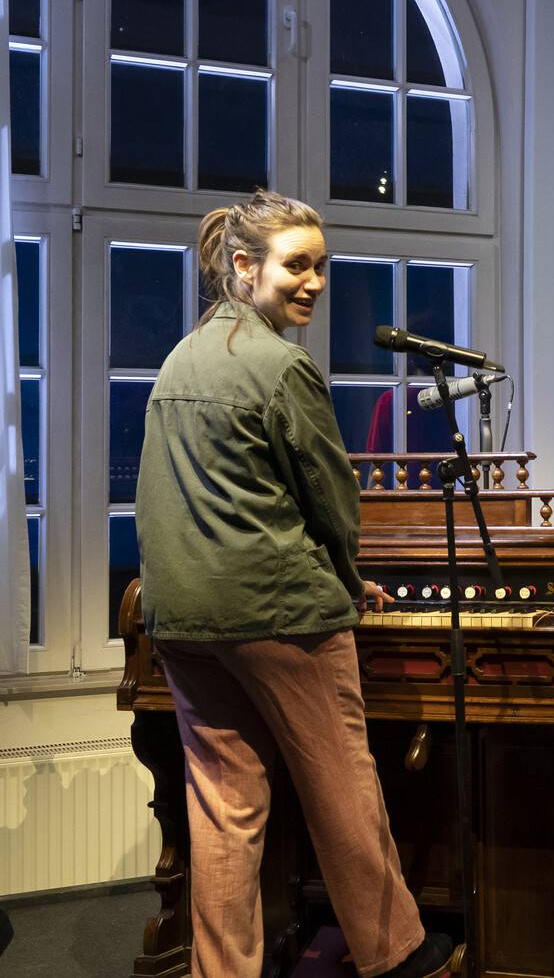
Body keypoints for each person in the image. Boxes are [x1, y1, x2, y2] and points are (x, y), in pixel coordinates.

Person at [135, 191, 452, 978]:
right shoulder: (282, 365)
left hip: (182, 618)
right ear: (245, 267)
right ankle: (395, 953)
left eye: (321, 265)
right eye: (297, 264)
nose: (314, 281)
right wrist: (351, 584)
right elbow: (333, 502)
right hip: (279, 612)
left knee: (222, 806)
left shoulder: (179, 361)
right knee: (342, 784)